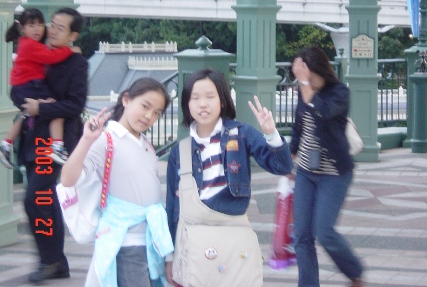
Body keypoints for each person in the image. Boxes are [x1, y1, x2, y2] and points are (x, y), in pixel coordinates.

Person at [165, 67, 293, 282]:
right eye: (195, 98)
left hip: (233, 239)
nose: (203, 104)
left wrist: (271, 133)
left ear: (222, 101)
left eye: (210, 97)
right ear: (187, 104)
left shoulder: (241, 134)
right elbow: (173, 207)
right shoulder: (180, 152)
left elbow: (281, 166)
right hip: (194, 245)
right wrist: (170, 256)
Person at [61, 78, 175, 287]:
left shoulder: (146, 144)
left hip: (151, 243)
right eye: (145, 106)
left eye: (157, 113)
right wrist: (86, 140)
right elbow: (68, 179)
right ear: (126, 100)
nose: (149, 116)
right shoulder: (106, 139)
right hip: (127, 244)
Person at [18, 7, 88, 285]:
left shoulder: (76, 63)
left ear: (73, 35)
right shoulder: (37, 52)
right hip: (32, 138)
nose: (53, 30)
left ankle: (49, 261)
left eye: (61, 27)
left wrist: (42, 108)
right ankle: (56, 262)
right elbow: (19, 88)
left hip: (55, 142)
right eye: (53, 24)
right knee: (42, 199)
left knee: (36, 197)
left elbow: (76, 105)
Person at [290, 46, 364, 287]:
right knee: (302, 236)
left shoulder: (339, 92)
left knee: (324, 232)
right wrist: (291, 156)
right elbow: (299, 125)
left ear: (319, 71)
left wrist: (305, 85)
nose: (303, 80)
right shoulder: (303, 91)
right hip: (306, 172)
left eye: (307, 75)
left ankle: (354, 272)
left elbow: (322, 112)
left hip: (334, 174)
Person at [0, 8, 80, 169]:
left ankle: (6, 144)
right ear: (22, 28)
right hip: (29, 86)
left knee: (25, 114)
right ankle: (57, 146)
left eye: (40, 25)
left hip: (22, 87)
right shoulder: (29, 45)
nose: (37, 29)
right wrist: (70, 50)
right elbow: (50, 57)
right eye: (31, 25)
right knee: (55, 108)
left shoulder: (28, 44)